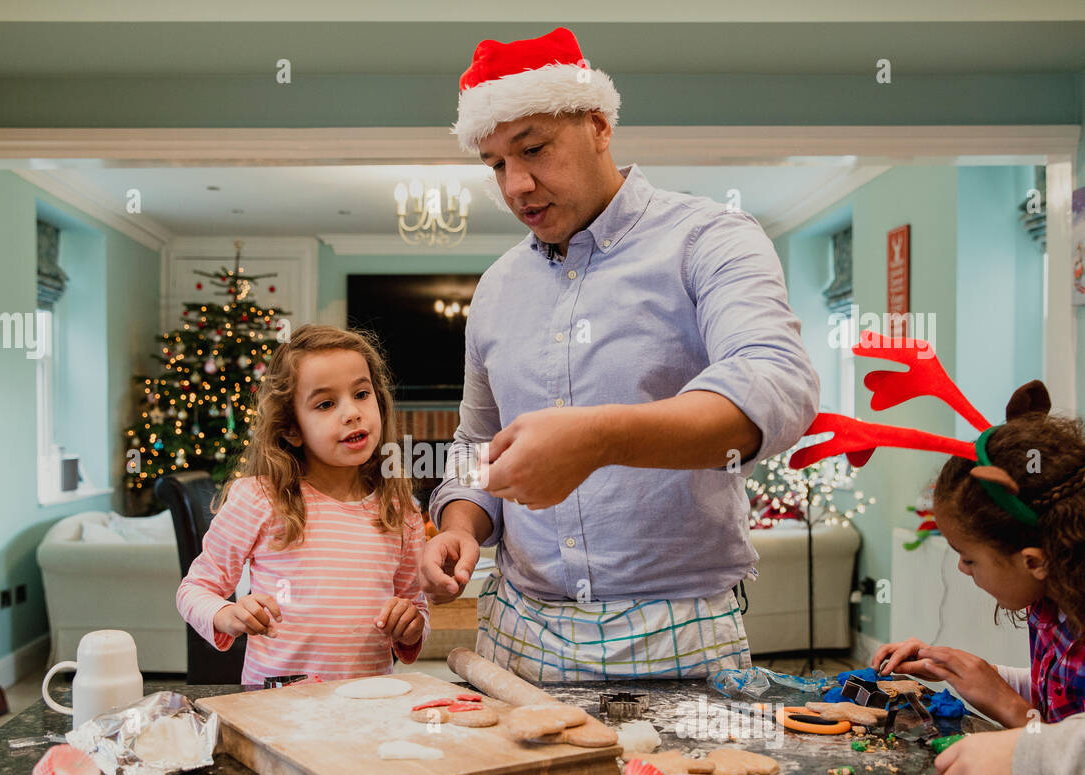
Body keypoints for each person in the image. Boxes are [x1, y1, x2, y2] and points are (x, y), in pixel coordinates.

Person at [422, 26, 820, 683]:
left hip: (678, 636)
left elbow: (776, 384)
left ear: (600, 125)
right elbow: (477, 441)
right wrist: (462, 525)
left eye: (534, 149)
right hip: (518, 635)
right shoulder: (496, 288)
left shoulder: (710, 238)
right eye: (496, 164)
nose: (517, 185)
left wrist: (601, 438)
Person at [176, 325, 430, 687]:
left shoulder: (400, 512)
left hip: (368, 705)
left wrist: (411, 625)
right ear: (292, 428)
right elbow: (194, 589)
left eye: (361, 394)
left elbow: (414, 604)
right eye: (326, 403)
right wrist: (227, 613)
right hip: (276, 706)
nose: (352, 413)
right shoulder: (259, 498)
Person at [873, 383, 1085, 729]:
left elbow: (1071, 763)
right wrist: (965, 670)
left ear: (1033, 561)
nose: (961, 568)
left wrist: (1009, 708)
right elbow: (1061, 698)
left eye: (969, 559)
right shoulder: (1053, 602)